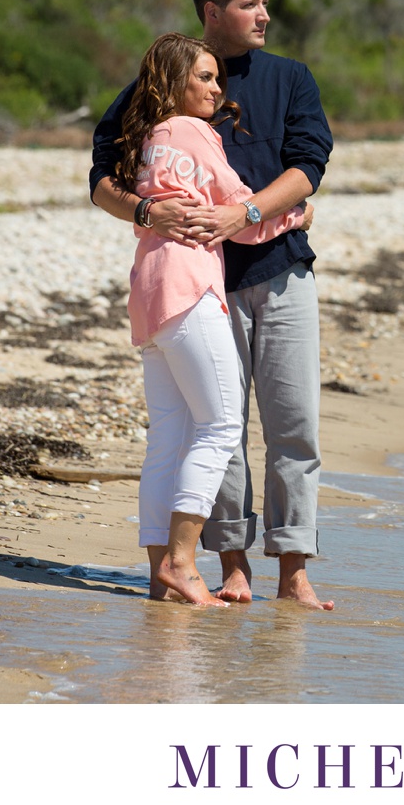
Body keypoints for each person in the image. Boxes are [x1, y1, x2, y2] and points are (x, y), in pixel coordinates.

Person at [91, 0, 335, 610]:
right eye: (251, 3)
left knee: (293, 426)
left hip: (280, 272)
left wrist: (257, 210)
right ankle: (230, 567)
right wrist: (146, 211)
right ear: (212, 10)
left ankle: (293, 571)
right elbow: (102, 176)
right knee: (218, 426)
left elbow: (310, 162)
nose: (264, 14)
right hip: (202, 283)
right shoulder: (174, 81)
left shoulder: (290, 77)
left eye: (264, 2)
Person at [118, 33, 306, 606]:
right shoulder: (195, 133)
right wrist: (292, 216)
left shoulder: (147, 139)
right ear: (174, 82)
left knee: (168, 438)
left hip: (149, 289)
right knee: (222, 425)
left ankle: (159, 576)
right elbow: (237, 210)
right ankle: (182, 560)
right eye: (204, 77)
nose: (216, 88)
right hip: (188, 287)